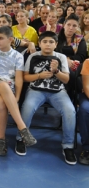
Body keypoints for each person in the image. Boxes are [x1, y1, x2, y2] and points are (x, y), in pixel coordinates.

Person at [15, 31, 76, 164]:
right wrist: (39, 76)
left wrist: (56, 71)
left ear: (56, 44)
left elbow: (66, 80)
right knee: (27, 107)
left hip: (58, 91)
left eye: (51, 42)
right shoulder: (33, 57)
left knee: (69, 110)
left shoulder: (61, 57)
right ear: (40, 43)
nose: (48, 44)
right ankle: (21, 138)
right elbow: (25, 77)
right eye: (45, 42)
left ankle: (68, 146)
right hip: (36, 90)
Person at [0, 26, 36, 155]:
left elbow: (19, 79)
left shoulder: (17, 56)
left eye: (1, 38)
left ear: (10, 39)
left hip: (9, 88)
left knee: (0, 101)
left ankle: (1, 140)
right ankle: (22, 128)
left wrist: (17, 97)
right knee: (3, 85)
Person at [78, 59, 89, 165]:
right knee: (85, 110)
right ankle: (87, 148)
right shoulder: (88, 62)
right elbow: (86, 86)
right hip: (87, 95)